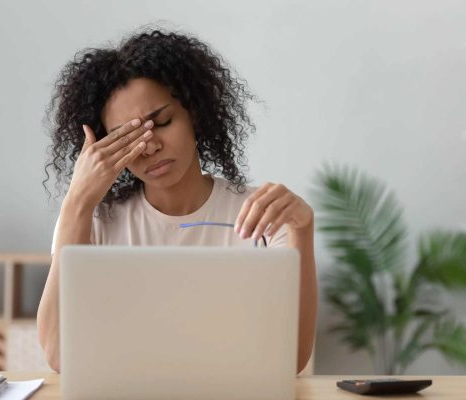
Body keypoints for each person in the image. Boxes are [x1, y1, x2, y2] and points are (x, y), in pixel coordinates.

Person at [37, 28, 317, 374]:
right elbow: (57, 355)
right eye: (127, 138)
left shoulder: (262, 215)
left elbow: (291, 359)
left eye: (163, 123)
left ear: (194, 113)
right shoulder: (93, 222)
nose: (150, 146)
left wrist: (302, 231)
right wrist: (77, 203)